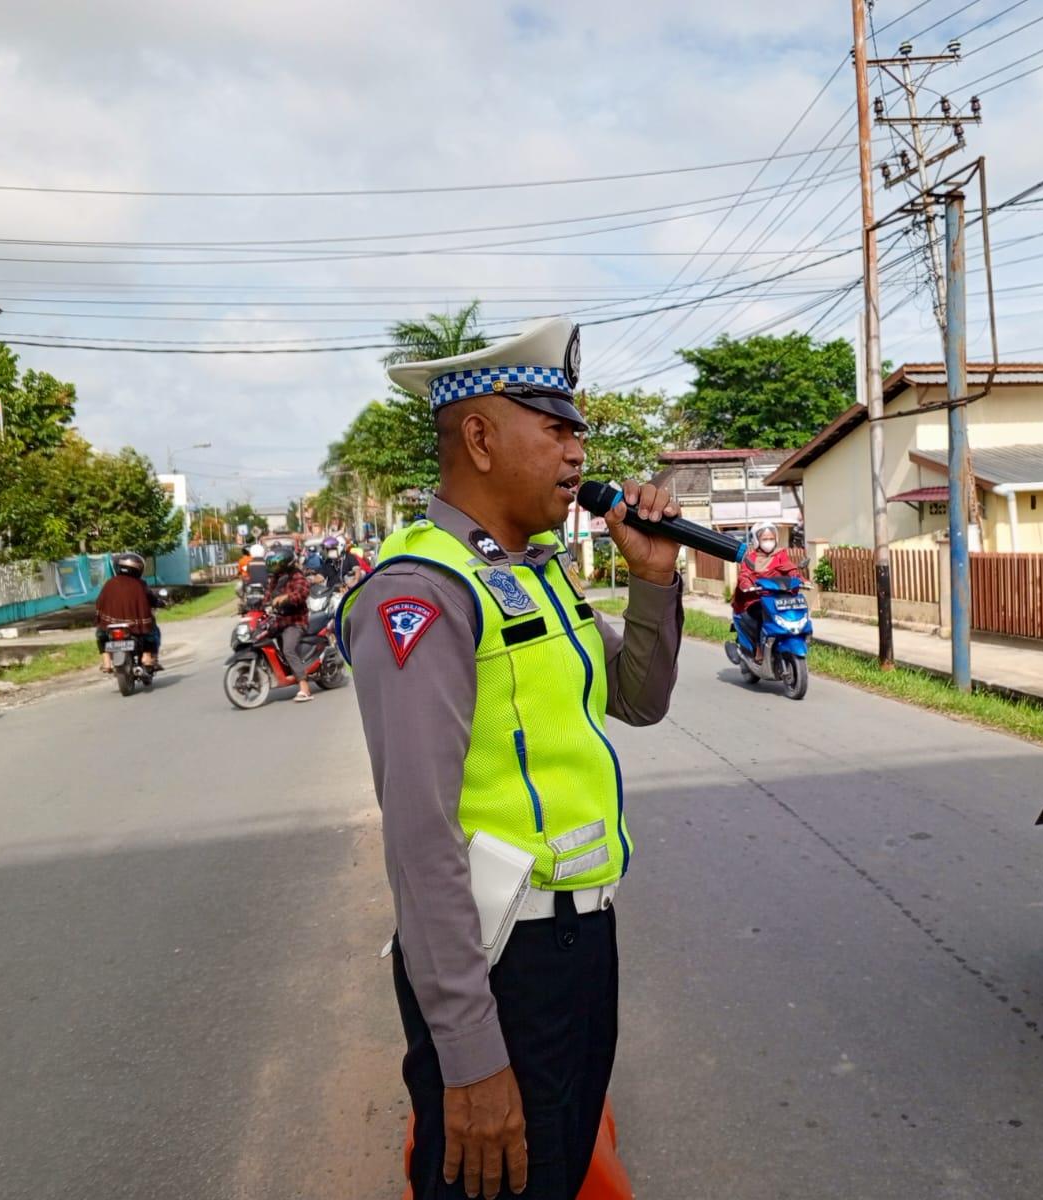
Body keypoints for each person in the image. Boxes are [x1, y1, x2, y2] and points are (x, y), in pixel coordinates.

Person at [338, 316, 683, 1200]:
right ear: (481, 438)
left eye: (579, 431)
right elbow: (421, 840)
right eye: (556, 428)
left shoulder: (532, 573)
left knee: (558, 1175)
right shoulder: (422, 591)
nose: (578, 452)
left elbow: (637, 698)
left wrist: (651, 578)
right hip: (502, 965)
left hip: (580, 945)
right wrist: (469, 1053)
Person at [731, 520, 800, 660]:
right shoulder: (751, 558)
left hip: (779, 597)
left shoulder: (781, 555)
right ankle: (758, 647)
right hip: (756, 599)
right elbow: (744, 575)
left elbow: (791, 569)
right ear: (757, 540)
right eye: (765, 539)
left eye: (771, 539)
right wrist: (746, 584)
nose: (768, 542)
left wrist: (799, 578)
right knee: (761, 616)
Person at [94, 552, 162, 671]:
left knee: (101, 634)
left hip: (110, 624)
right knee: (151, 631)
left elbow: (100, 601)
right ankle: (146, 656)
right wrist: (160, 603)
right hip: (135, 625)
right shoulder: (140, 585)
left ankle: (106, 661)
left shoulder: (110, 583)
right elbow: (151, 599)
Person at [265, 544, 315, 703]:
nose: (274, 567)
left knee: (288, 649)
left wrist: (285, 598)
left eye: (277, 563)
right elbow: (267, 597)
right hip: (279, 621)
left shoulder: (297, 576)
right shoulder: (275, 579)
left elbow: (302, 593)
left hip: (295, 621)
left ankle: (304, 688)